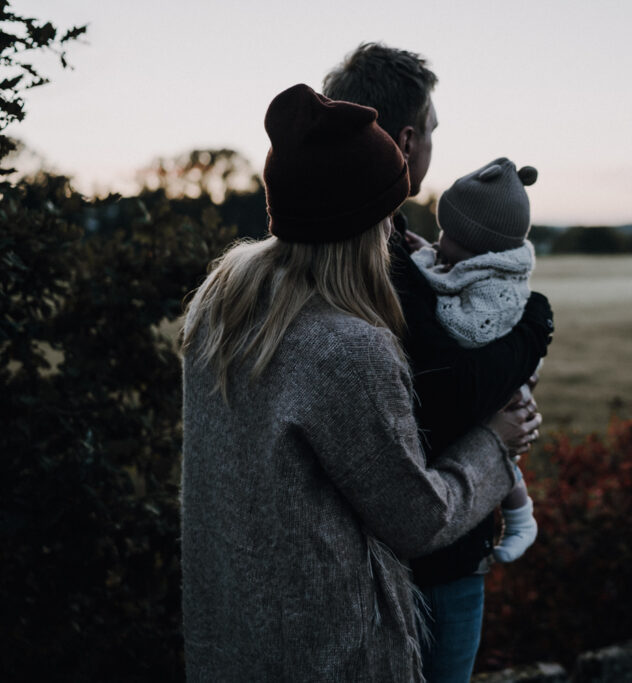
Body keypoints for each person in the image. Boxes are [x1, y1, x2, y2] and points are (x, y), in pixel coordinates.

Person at [179, 83, 540, 682]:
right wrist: (495, 445)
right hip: (330, 650)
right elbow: (416, 518)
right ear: (365, 222)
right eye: (388, 212)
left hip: (233, 636)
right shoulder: (347, 348)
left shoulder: (221, 307)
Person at [323, 44, 554, 681]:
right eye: (430, 131)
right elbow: (453, 390)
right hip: (434, 551)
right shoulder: (378, 256)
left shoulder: (380, 242)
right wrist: (537, 324)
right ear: (405, 140)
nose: (432, 146)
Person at [410, 157, 545, 564]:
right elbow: (444, 266)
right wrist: (427, 256)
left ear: (474, 244)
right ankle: (519, 515)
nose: (439, 240)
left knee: (501, 439)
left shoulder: (497, 286)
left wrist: (421, 278)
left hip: (501, 370)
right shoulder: (474, 262)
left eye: (447, 233)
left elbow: (468, 330)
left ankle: (521, 518)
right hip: (494, 364)